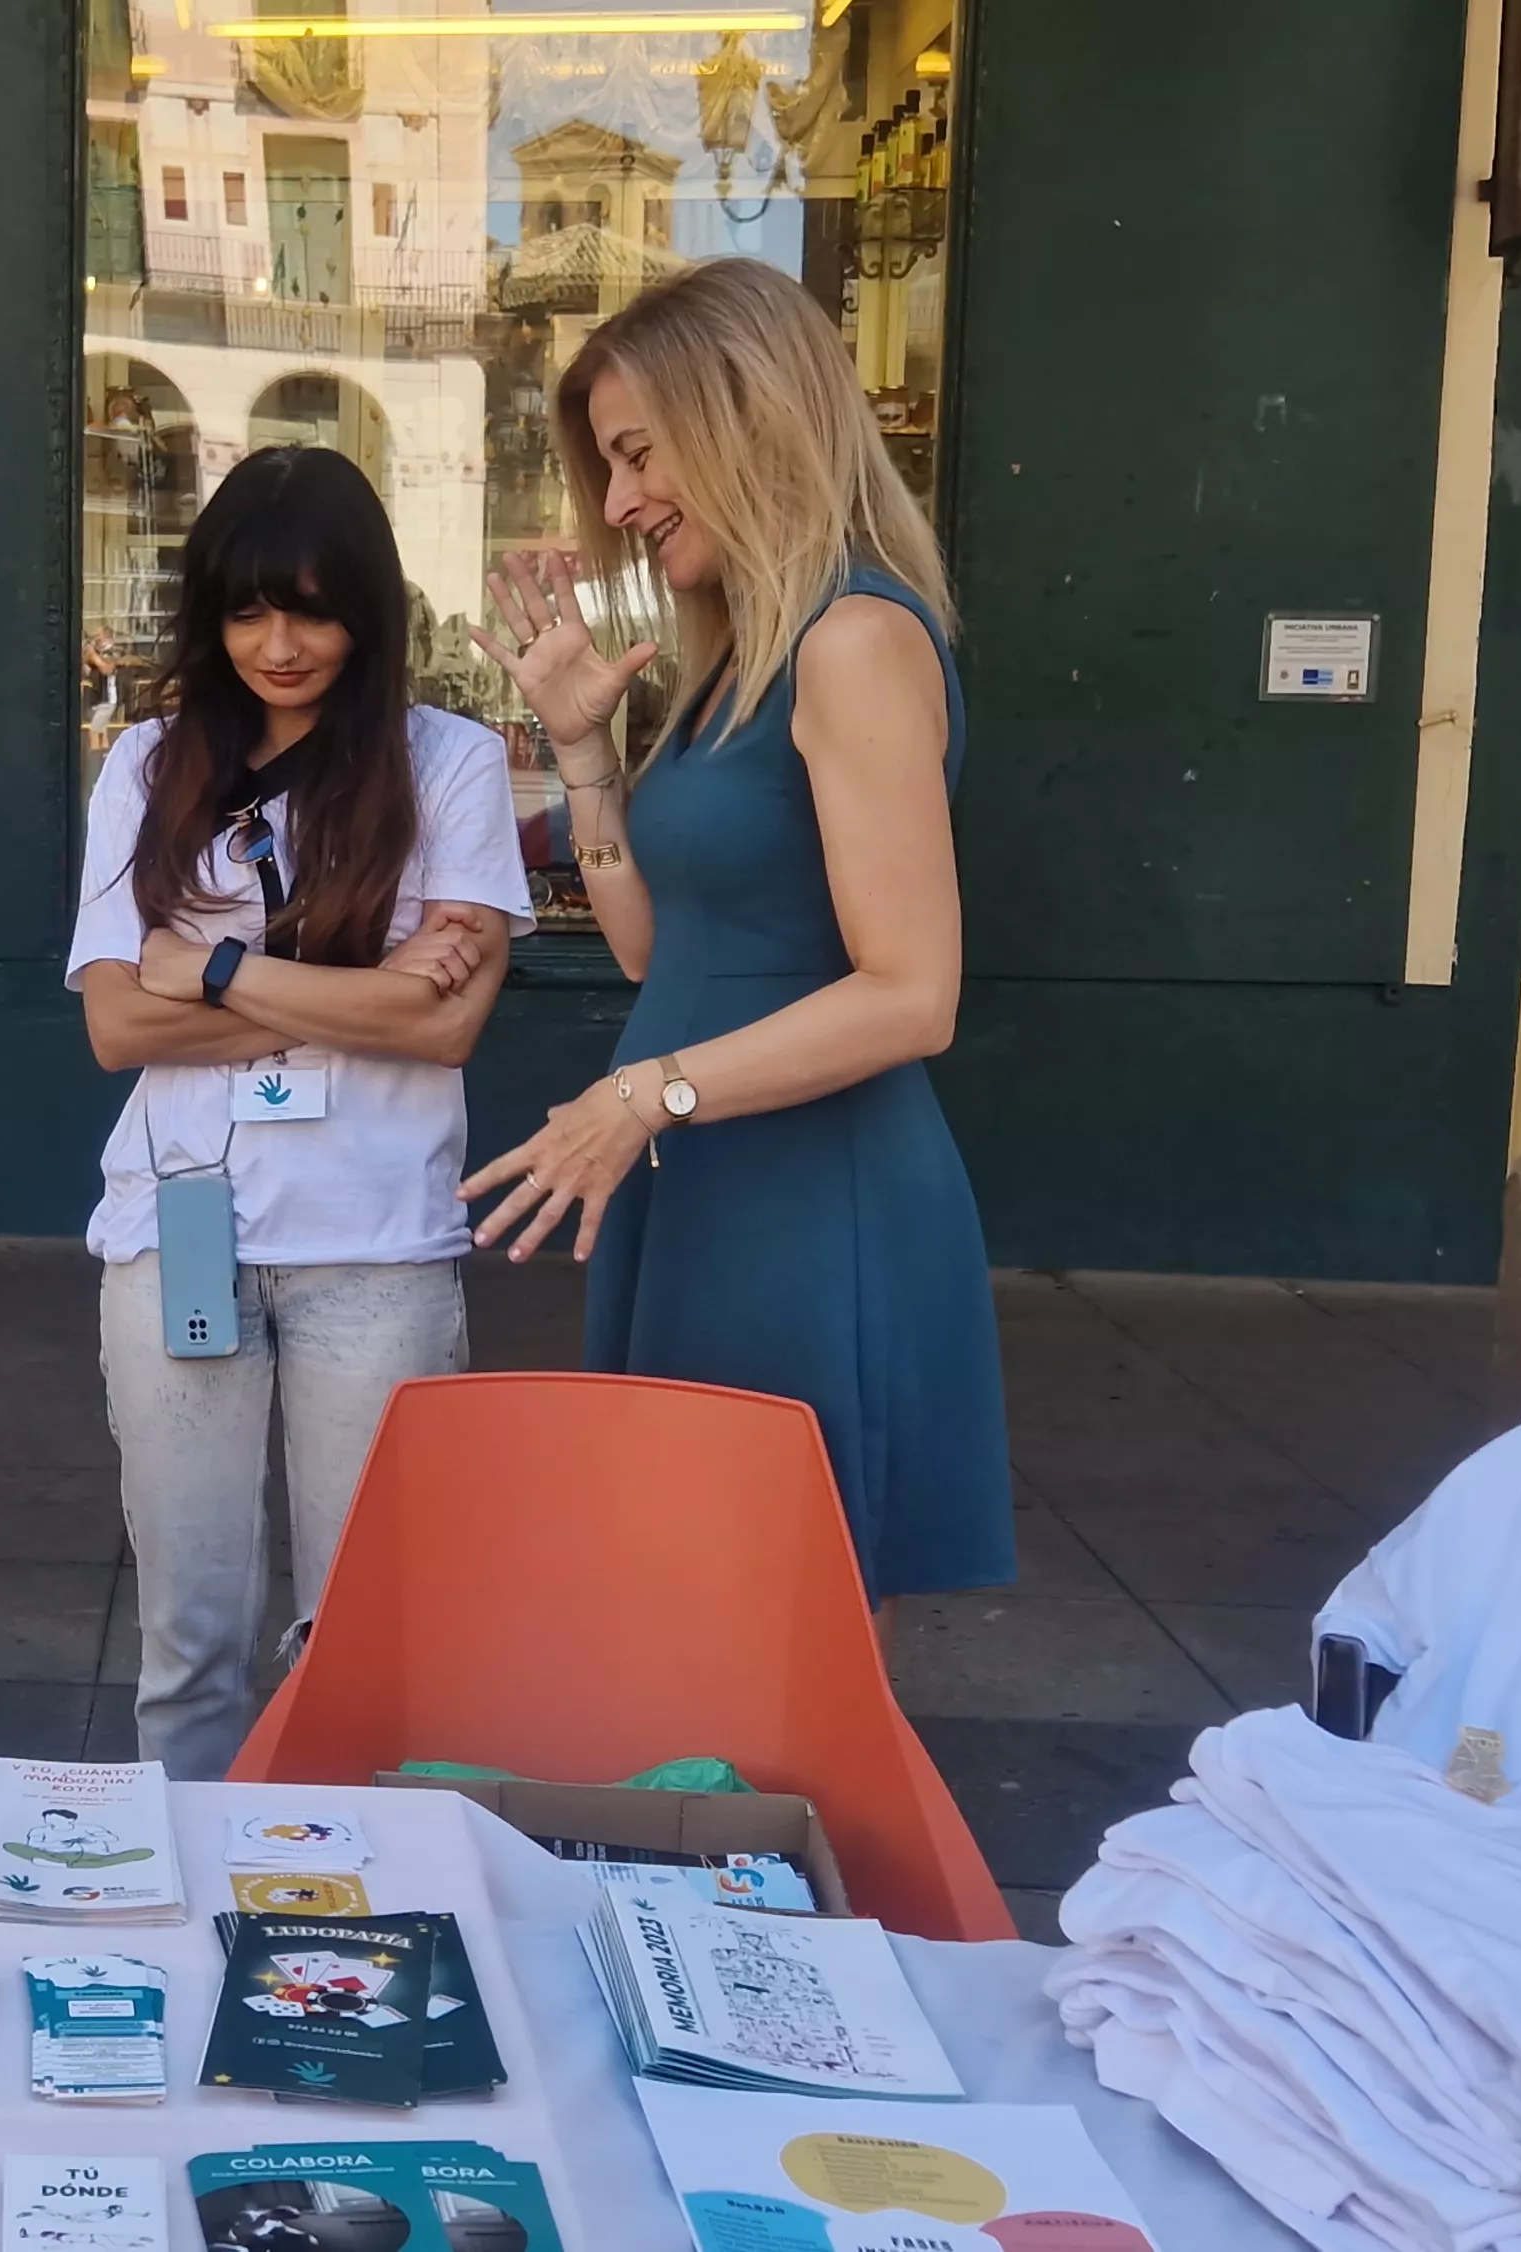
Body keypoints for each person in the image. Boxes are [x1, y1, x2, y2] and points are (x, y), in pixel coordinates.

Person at [459, 256, 1011, 1610]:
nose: (622, 501)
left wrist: (649, 1094)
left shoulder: (855, 640)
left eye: (642, 454)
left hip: (806, 1199)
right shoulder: (745, 658)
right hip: (701, 1180)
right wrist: (584, 756)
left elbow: (912, 993)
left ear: (750, 414)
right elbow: (659, 956)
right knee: (690, 1609)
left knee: (774, 1617)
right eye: (609, 466)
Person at [69, 445, 528, 1778]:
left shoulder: (450, 763)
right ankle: (184, 1910)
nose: (282, 644)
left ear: (371, 613)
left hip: (377, 1247)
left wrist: (212, 969)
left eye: (316, 610)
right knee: (190, 1640)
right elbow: (113, 1025)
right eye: (250, 610)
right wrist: (354, 991)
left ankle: (338, 1920)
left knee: (361, 1640)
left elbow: (446, 1021)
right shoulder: (149, 768)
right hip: (182, 1229)